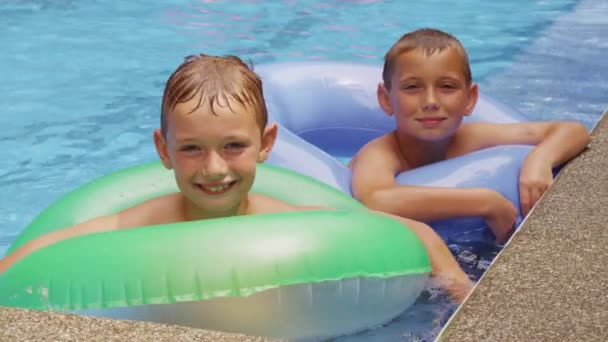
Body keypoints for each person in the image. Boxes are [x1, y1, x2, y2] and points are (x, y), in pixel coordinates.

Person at [0, 54, 473, 302]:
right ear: (163, 151)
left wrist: (458, 290)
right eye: (190, 149)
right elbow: (50, 248)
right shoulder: (145, 220)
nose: (214, 169)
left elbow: (409, 231)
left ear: (266, 144)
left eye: (233, 146)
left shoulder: (281, 218)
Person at [349, 28, 590, 244]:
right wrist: (485, 202)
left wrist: (540, 160)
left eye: (447, 87)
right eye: (412, 87)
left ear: (470, 99)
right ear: (385, 99)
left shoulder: (473, 137)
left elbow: (573, 130)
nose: (431, 102)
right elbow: (376, 199)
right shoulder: (380, 153)